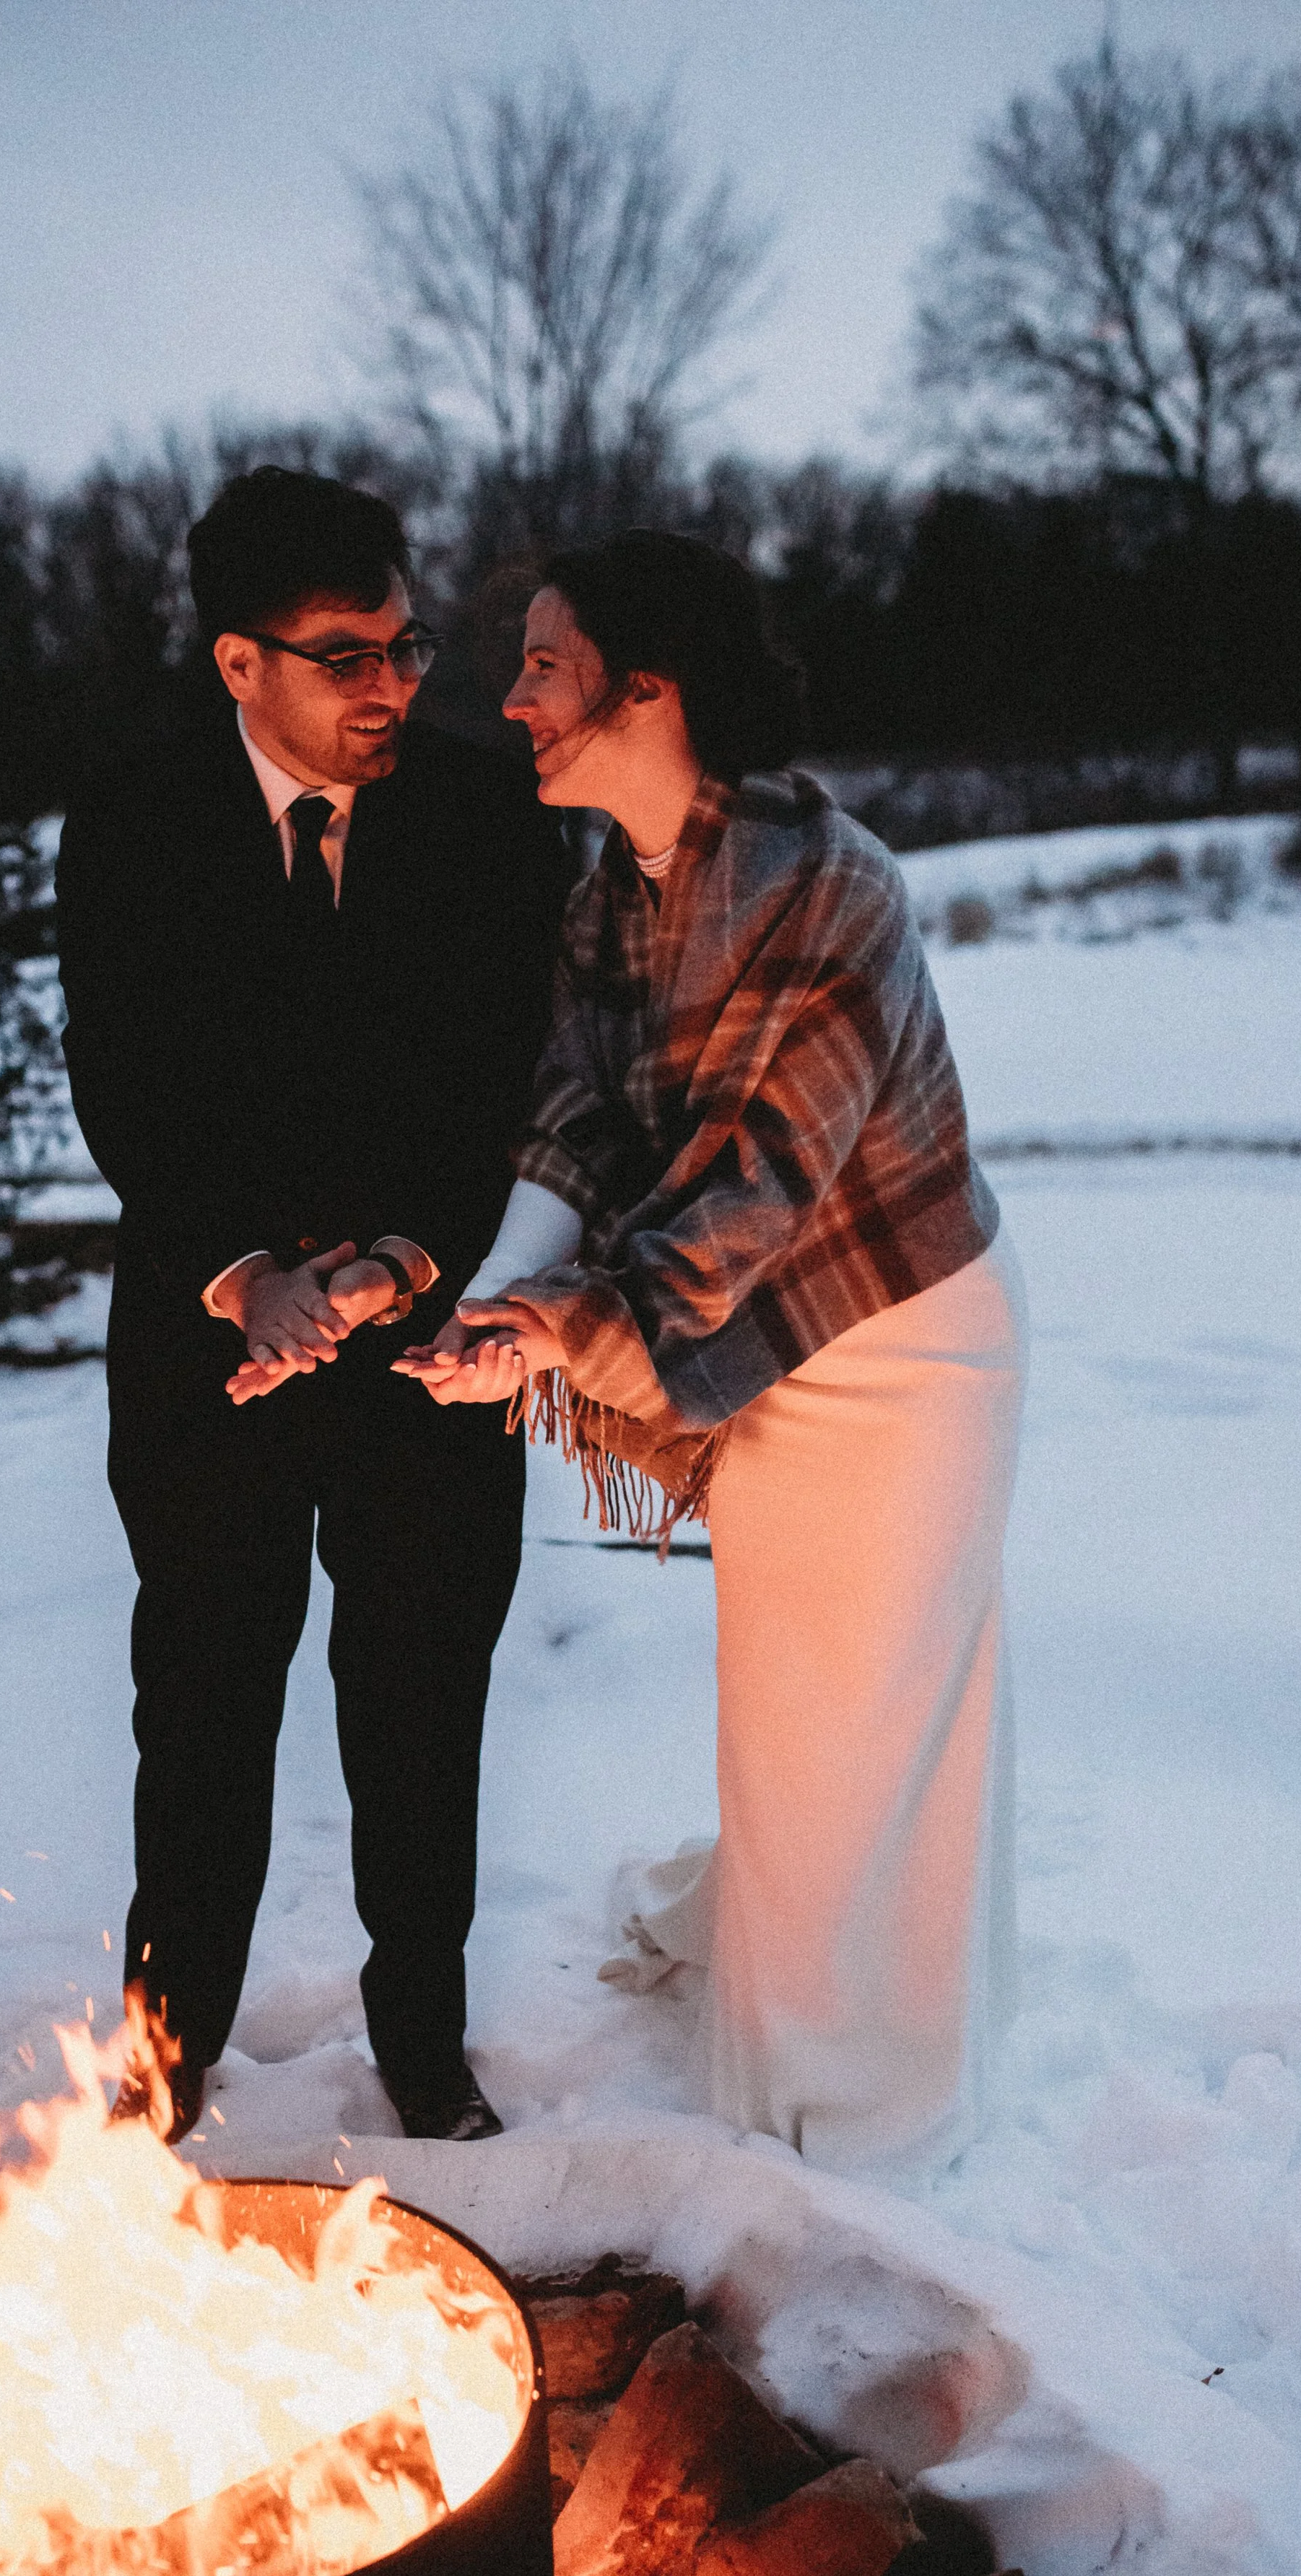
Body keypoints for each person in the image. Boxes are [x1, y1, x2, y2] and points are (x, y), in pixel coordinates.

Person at [396, 530, 1024, 2181]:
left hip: (898, 1340)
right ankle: (795, 1972)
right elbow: (581, 1121)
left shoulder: (832, 890)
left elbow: (750, 1184)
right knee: (798, 1717)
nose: (510, 694)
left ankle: (852, 2134)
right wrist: (498, 1301)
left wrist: (561, 1336)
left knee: (873, 1718)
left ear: (646, 685)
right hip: (746, 1341)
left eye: (541, 661)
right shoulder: (616, 882)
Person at [57, 468, 566, 2145]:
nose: (392, 687)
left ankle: (421, 2039)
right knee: (202, 1693)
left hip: (426, 1339)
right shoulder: (127, 817)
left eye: (405, 646)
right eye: (343, 654)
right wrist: (246, 1277)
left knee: (423, 1693)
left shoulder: (491, 816)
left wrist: (394, 1265)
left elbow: (505, 1078)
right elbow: (121, 1082)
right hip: (209, 1352)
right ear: (235, 664)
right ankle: (164, 2043)